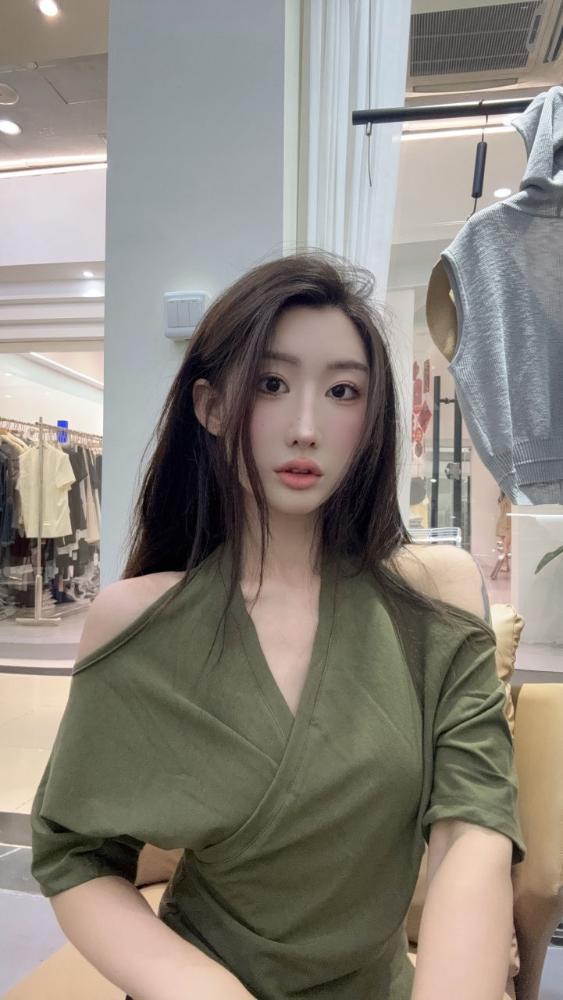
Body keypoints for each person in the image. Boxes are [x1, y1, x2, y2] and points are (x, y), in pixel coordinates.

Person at [30, 251, 526, 1000]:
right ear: (210, 407)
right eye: (270, 384)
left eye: (342, 391)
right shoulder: (141, 621)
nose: (305, 428)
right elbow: (76, 853)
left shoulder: (433, 599)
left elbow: (473, 831)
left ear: (370, 420)